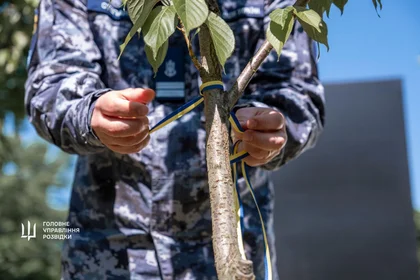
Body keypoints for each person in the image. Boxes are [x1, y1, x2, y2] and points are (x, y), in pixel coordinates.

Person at [25, 0, 325, 279]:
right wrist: (89, 113)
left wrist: (268, 129)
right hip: (109, 254)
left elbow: (296, 92)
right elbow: (51, 83)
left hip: (233, 251)